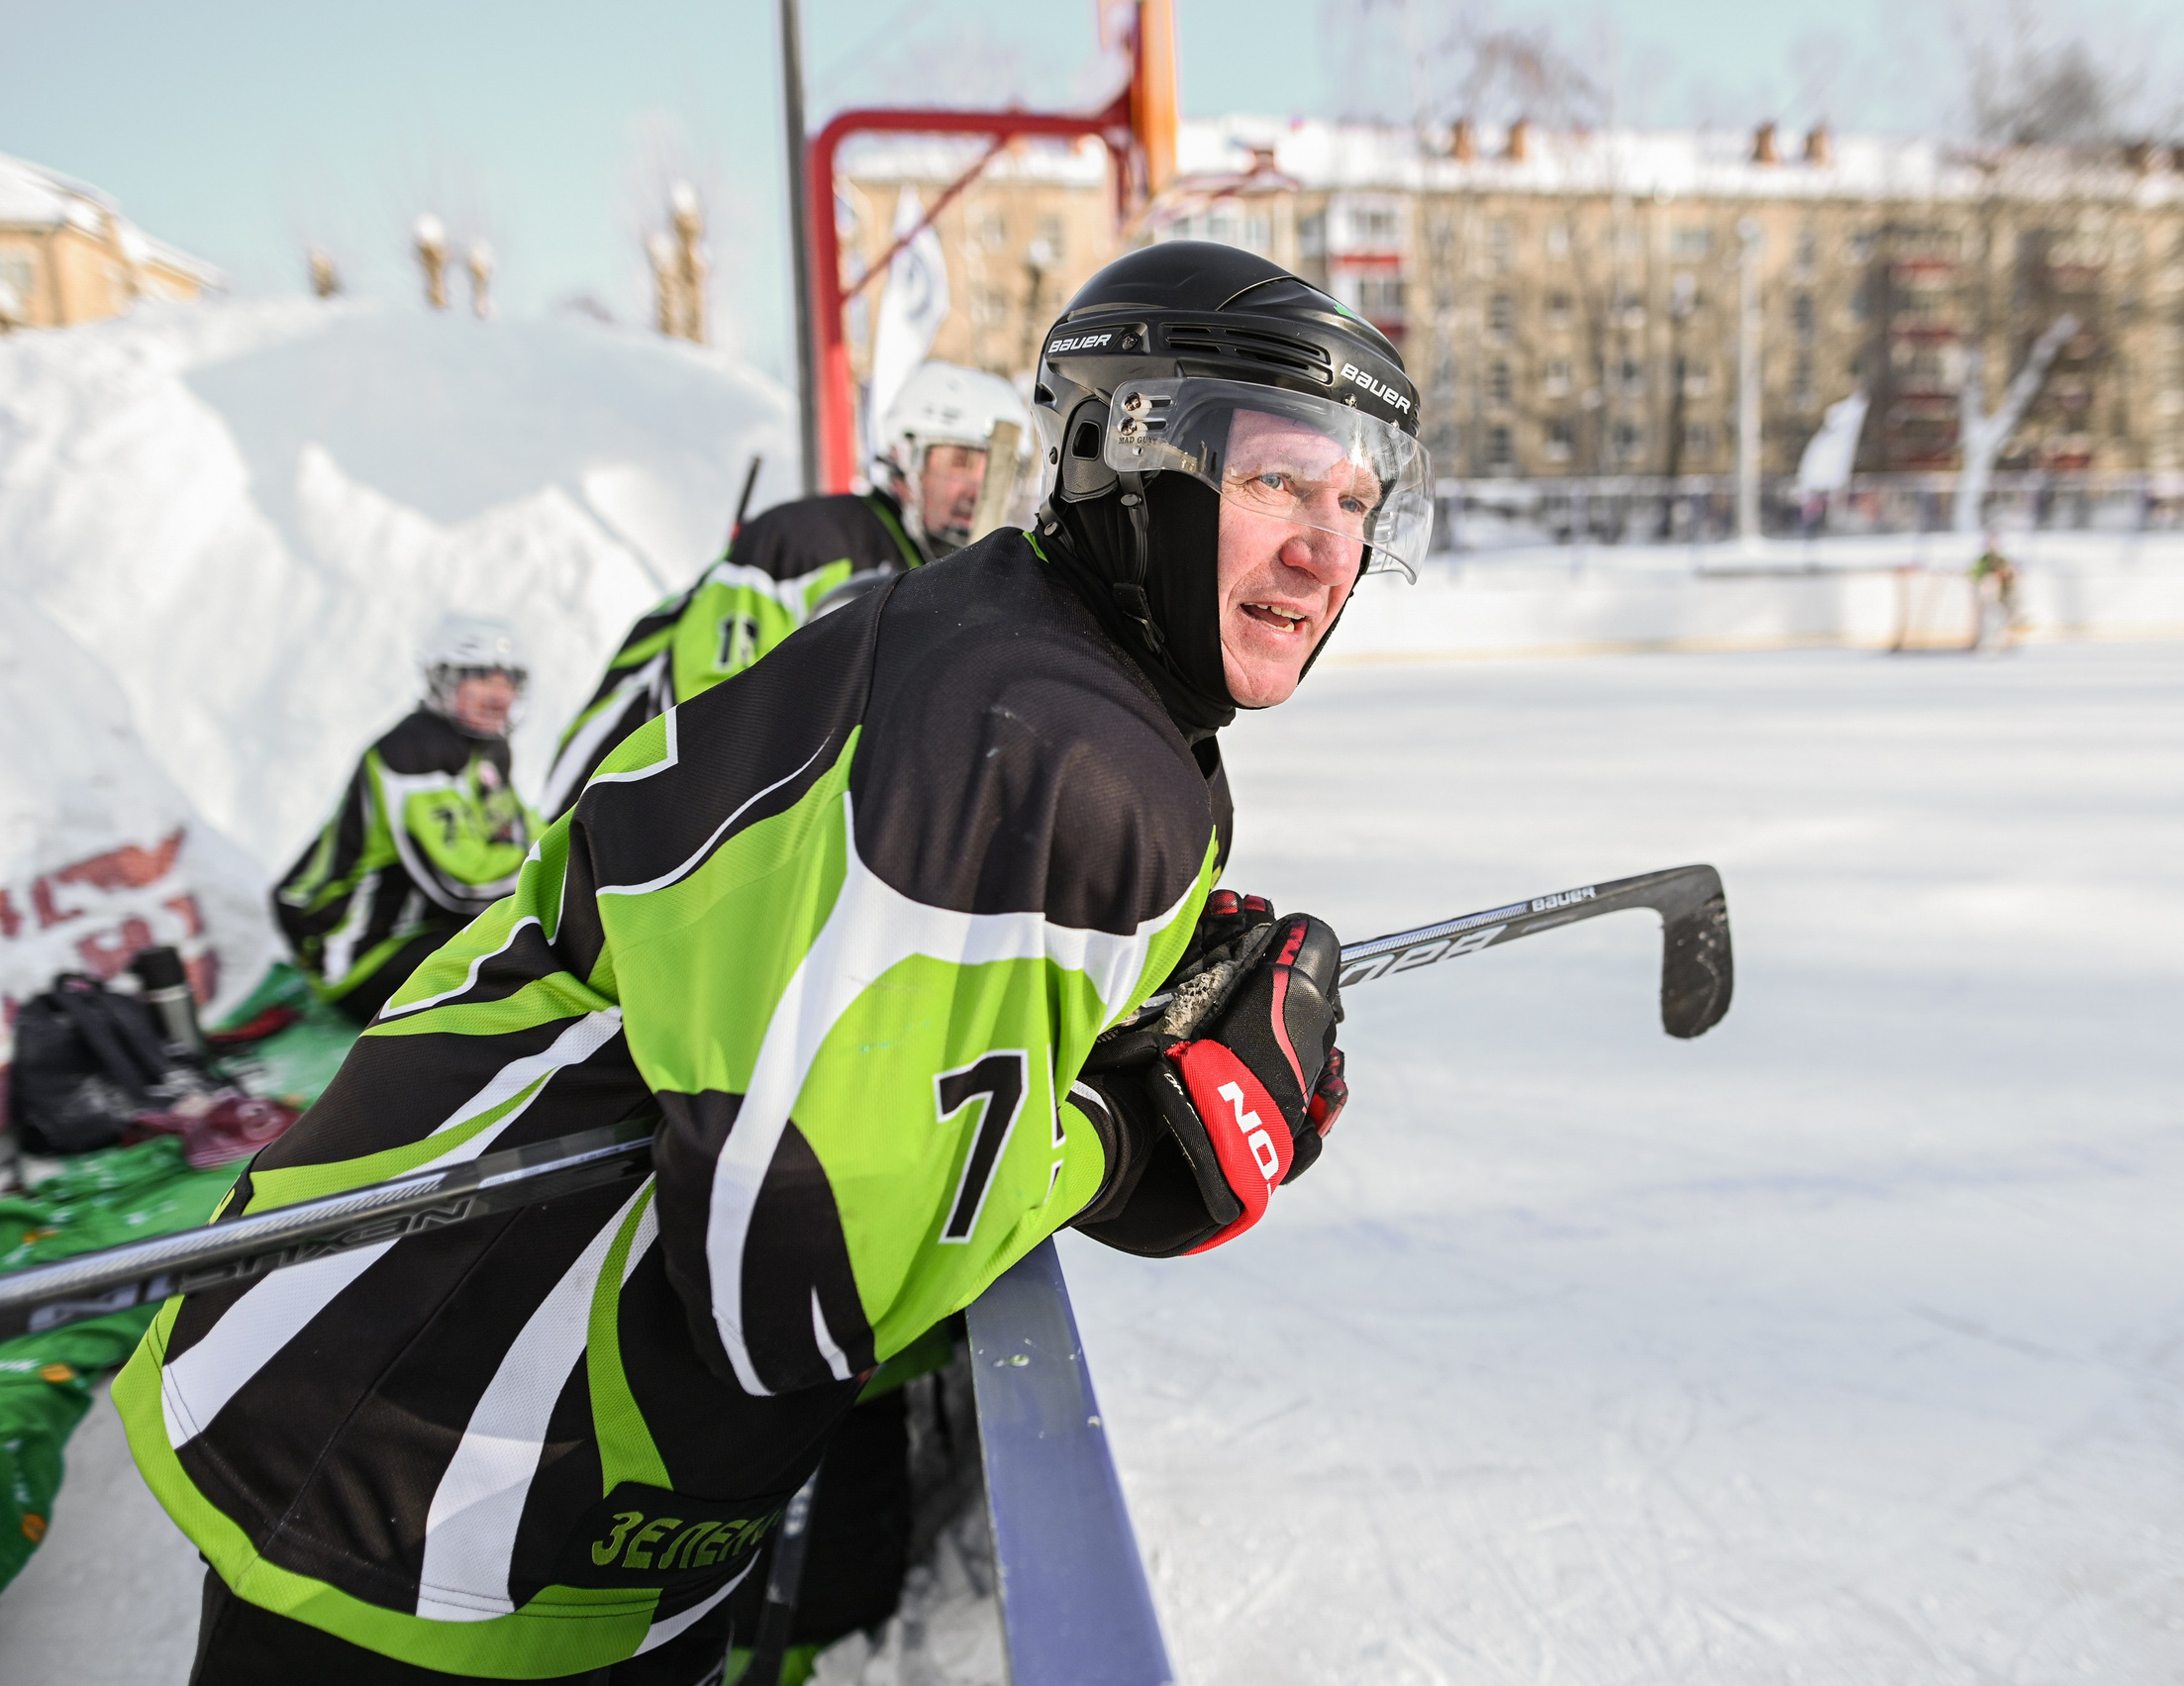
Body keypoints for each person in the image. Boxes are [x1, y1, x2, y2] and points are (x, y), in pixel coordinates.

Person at [120, 239, 1433, 1684]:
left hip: (426, 1419)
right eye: (1275, 481)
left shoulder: (1018, 654)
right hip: (428, 1458)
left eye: (1358, 499)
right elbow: (794, 1281)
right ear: (1114, 455)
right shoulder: (1053, 742)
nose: (1326, 547)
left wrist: (1117, 1021)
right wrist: (1131, 1135)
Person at [542, 362, 1034, 815]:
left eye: (997, 468)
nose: (979, 486)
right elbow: (714, 714)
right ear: (905, 459)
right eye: (961, 461)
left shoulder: (946, 575)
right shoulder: (805, 542)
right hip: (610, 814)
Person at [269, 614, 540, 1024]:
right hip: (357, 952)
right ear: (442, 679)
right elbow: (466, 886)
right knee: (523, 949)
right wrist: (553, 870)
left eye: (509, 680)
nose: (499, 694)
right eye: (481, 676)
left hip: (415, 931)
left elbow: (528, 834)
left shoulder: (488, 749)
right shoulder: (411, 751)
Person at [1969, 532, 2020, 651]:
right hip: (1987, 596)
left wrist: (2007, 582)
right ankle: (1985, 643)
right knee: (1987, 621)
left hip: (2000, 597)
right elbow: (1974, 574)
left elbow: (2011, 576)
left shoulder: (2003, 560)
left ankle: (1999, 642)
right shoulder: (1983, 561)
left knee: (2000, 619)